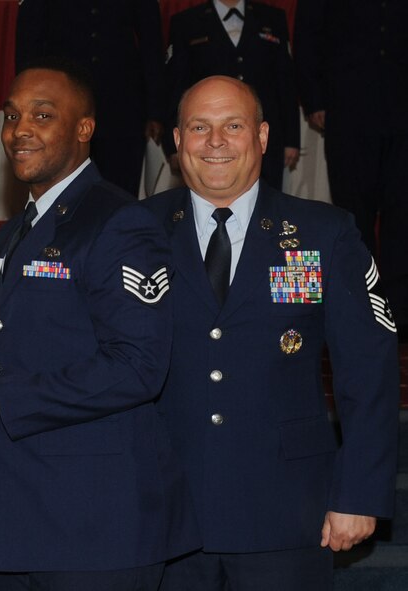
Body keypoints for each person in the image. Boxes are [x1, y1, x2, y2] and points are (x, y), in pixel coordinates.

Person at [0, 57, 198, 589]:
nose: (20, 130)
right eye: (11, 115)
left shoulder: (120, 223)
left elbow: (139, 367)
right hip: (18, 522)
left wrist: (6, 394)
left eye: (42, 115)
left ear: (84, 128)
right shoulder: (10, 236)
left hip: (100, 526)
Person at [141, 75, 399, 591]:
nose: (216, 142)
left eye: (232, 126)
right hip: (161, 510)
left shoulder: (324, 232)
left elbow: (368, 369)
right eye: (199, 127)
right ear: (176, 141)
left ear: (261, 137)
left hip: (286, 510)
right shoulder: (134, 232)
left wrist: (359, 494)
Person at [294, 0, 408, 338]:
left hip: (403, 112)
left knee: (403, 215)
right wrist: (314, 100)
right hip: (348, 110)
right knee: (352, 214)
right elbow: (307, 37)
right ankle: (358, 306)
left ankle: (399, 311)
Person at [15, 0, 166, 196]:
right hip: (62, 104)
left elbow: (151, 44)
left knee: (119, 192)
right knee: (61, 188)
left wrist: (156, 110)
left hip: (122, 106)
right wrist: (30, 105)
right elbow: (29, 41)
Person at [163, 0, 299, 191]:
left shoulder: (272, 18)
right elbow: (176, 88)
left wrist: (292, 139)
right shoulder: (187, 22)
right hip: (207, 140)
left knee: (268, 204)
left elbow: (285, 82)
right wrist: (172, 145)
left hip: (266, 138)